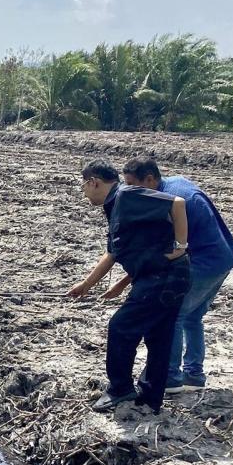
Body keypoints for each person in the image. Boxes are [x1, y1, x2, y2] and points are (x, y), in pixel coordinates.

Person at [67, 160, 192, 414]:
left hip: (164, 276)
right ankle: (151, 399)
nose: (84, 193)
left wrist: (181, 246)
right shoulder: (113, 205)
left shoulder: (127, 195)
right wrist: (86, 285)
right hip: (159, 276)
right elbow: (113, 253)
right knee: (159, 335)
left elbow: (177, 204)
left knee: (121, 327)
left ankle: (120, 389)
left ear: (94, 182)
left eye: (84, 187)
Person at [120, 156, 233, 391]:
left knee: (173, 314)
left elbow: (172, 247)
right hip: (224, 259)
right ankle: (194, 374)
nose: (130, 192)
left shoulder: (169, 201)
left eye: (133, 185)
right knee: (192, 317)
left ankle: (170, 377)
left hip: (204, 263)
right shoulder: (176, 182)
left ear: (149, 179)